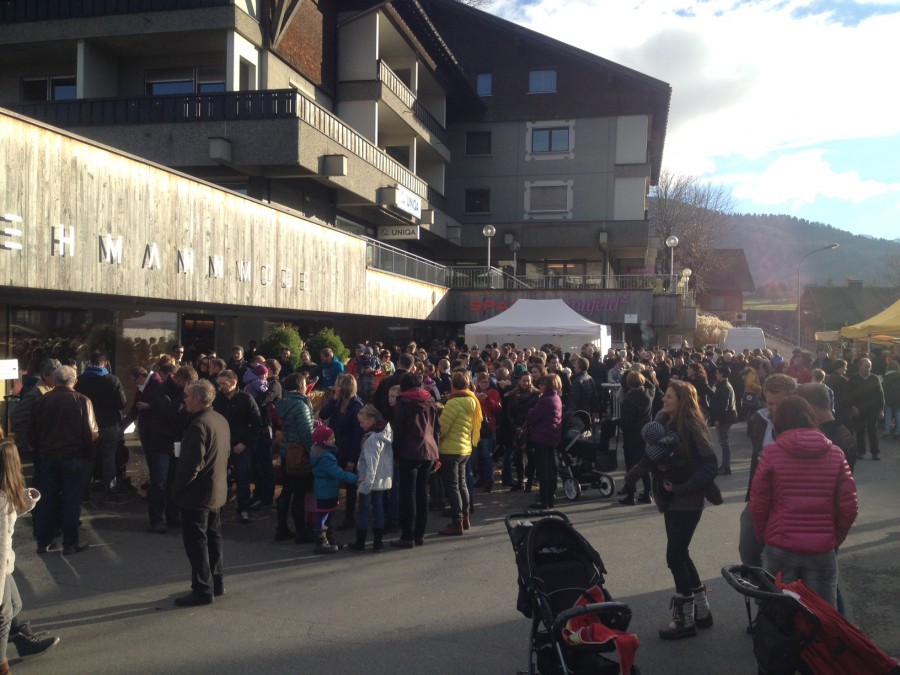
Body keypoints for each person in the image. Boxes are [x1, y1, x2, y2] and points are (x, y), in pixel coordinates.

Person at [749, 396, 858, 608]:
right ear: (811, 418)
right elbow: (849, 507)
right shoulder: (836, 454)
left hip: (780, 543)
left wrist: (765, 535)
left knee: (780, 611)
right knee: (824, 613)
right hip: (821, 547)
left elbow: (758, 504)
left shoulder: (771, 454)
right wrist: (835, 537)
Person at [653, 381, 718, 640]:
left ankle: (686, 620)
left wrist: (683, 487)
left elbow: (710, 464)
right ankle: (702, 612)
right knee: (681, 554)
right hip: (672, 500)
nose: (664, 400)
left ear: (682, 401)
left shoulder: (691, 425)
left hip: (686, 501)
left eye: (669, 397)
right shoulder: (668, 423)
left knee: (674, 556)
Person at [0, 440, 60, 665]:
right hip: (1, 563)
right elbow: (1, 545)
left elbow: (10, 512)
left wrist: (26, 499)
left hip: (4, 562)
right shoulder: (2, 501)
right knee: (5, 612)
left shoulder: (5, 497)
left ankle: (21, 640)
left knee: (14, 605)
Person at [172, 380, 231, 607]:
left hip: (198, 494)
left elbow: (191, 465)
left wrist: (177, 488)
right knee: (213, 537)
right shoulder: (219, 419)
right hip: (216, 488)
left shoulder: (199, 424)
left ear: (197, 399)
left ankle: (203, 589)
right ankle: (216, 582)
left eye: (187, 396)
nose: (185, 399)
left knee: (197, 543)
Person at [30, 366, 98, 555]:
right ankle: (70, 542)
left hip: (47, 456)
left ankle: (43, 541)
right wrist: (88, 455)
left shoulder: (42, 401)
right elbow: (92, 433)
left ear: (56, 380)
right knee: (71, 500)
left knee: (46, 499)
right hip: (73, 457)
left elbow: (32, 432)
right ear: (74, 381)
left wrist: (38, 451)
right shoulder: (82, 401)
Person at [739, 374, 797, 567]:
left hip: (788, 498)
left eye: (779, 404)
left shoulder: (801, 422)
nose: (773, 409)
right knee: (748, 548)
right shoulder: (759, 419)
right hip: (759, 493)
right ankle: (758, 582)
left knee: (781, 558)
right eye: (769, 403)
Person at [390, 372, 440, 548]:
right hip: (428, 449)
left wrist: (395, 453)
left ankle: (407, 535)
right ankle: (419, 534)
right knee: (422, 493)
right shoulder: (430, 401)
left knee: (408, 494)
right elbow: (436, 427)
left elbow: (398, 430)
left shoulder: (402, 403)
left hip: (409, 451)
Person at [75, 351, 127, 502]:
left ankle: (84, 491)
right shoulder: (112, 380)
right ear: (104, 363)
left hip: (88, 426)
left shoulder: (81, 380)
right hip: (108, 424)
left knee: (88, 458)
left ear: (90, 362)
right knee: (108, 458)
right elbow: (122, 403)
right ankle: (110, 489)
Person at [213, 369, 263, 525]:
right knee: (219, 477)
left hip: (241, 444)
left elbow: (257, 424)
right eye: (220, 384)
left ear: (234, 383)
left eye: (224, 383)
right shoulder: (217, 399)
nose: (221, 386)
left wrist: (245, 443)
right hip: (222, 444)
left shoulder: (246, 399)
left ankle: (243, 509)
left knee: (242, 477)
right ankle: (218, 508)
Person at [273, 374, 316, 543]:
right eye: (305, 384)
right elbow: (307, 434)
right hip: (299, 454)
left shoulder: (284, 403)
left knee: (286, 491)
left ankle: (281, 528)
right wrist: (314, 453)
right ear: (300, 386)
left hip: (286, 451)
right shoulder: (301, 406)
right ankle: (301, 532)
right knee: (299, 494)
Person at [437, 371, 480, 536]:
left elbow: (443, 428)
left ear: (453, 385)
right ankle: (465, 518)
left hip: (451, 449)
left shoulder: (453, 403)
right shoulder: (472, 400)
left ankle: (457, 522)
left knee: (453, 486)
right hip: (465, 448)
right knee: (462, 485)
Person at [318, 373, 364, 530]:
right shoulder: (337, 402)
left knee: (350, 485)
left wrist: (352, 459)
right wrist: (333, 399)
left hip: (348, 450)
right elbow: (323, 414)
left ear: (344, 387)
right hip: (335, 449)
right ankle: (330, 513)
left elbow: (357, 436)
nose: (335, 387)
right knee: (334, 481)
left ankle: (349, 517)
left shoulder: (356, 407)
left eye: (338, 384)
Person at [349, 405, 393, 552]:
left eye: (362, 422)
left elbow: (371, 464)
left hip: (368, 479)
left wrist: (365, 485)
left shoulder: (372, 440)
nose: (360, 425)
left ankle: (360, 542)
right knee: (378, 508)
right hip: (381, 479)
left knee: (364, 509)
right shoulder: (384, 433)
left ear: (371, 420)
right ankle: (378, 542)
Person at [309, 426, 357, 554]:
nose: (334, 440)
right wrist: (355, 479)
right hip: (325, 491)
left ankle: (327, 537)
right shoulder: (325, 457)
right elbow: (338, 473)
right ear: (324, 441)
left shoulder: (323, 452)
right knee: (323, 514)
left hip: (328, 489)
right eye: (331, 439)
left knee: (329, 513)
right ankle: (321, 541)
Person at [527, 374, 564, 510]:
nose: (540, 386)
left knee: (544, 469)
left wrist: (530, 410)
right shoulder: (556, 398)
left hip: (542, 437)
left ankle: (544, 499)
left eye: (542, 384)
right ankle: (550, 497)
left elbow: (532, 417)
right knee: (550, 468)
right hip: (551, 436)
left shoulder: (545, 400)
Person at [617, 371, 653, 505]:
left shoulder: (629, 399)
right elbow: (652, 385)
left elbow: (626, 421)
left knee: (631, 465)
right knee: (645, 465)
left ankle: (631, 495)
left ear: (628, 383)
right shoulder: (649, 394)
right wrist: (642, 374)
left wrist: (617, 422)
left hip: (632, 435)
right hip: (646, 433)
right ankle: (647, 493)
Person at [846, 358, 884, 459]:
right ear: (860, 367)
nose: (868, 369)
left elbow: (880, 394)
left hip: (872, 409)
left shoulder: (874, 378)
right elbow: (849, 395)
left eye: (869, 367)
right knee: (860, 431)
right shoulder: (854, 378)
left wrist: (881, 409)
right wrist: (852, 407)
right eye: (866, 367)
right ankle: (860, 451)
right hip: (859, 409)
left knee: (873, 431)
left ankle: (875, 452)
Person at [473, 371, 502, 493]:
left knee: (486, 455)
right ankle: (481, 478)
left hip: (488, 427)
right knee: (478, 455)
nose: (484, 384)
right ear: (478, 383)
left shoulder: (494, 393)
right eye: (482, 382)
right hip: (476, 428)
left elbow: (498, 409)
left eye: (486, 382)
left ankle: (489, 480)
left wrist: (488, 399)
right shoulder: (474, 393)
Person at [708, 365, 738, 475]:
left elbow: (723, 406)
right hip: (727, 417)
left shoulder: (724, 387)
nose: (716, 375)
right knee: (724, 442)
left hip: (725, 418)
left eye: (717, 373)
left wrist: (718, 419)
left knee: (724, 443)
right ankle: (724, 466)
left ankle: (726, 467)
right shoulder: (723, 385)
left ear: (721, 374)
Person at [883, 360, 900, 438]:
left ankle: (887, 431)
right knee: (898, 414)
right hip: (898, 397)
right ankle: (898, 431)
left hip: (888, 397)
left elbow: (884, 387)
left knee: (888, 414)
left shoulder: (887, 376)